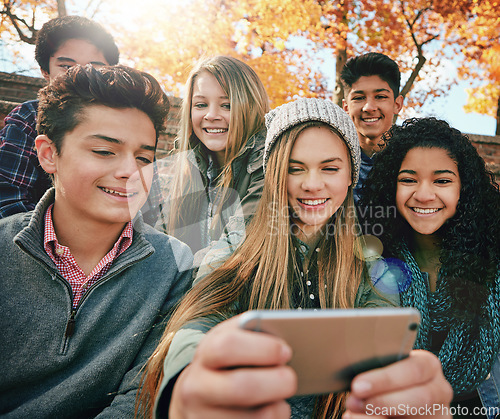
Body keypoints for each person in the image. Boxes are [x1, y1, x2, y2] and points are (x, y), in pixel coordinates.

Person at [138, 98, 453, 418]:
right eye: (294, 168)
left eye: (330, 168)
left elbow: (384, 362)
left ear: (350, 176)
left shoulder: (371, 265)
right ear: (274, 175)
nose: (312, 185)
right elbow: (200, 318)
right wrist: (188, 378)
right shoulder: (239, 242)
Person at [0, 64, 193, 418]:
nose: (129, 171)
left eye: (144, 158)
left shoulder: (174, 266)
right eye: (104, 151)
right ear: (48, 154)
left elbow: (142, 397)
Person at [361, 117, 500, 417]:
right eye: (409, 179)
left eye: (442, 180)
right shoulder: (370, 267)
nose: (424, 194)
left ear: (464, 188)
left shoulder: (494, 267)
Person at [0, 15, 119, 218]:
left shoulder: (126, 124)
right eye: (66, 66)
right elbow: (8, 201)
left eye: (95, 67)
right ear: (45, 71)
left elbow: (148, 213)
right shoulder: (29, 118)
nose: (80, 75)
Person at [156, 55, 269, 264]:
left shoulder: (267, 163)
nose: (211, 115)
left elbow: (235, 250)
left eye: (226, 105)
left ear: (251, 107)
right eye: (200, 104)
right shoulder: (189, 168)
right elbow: (159, 247)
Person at [341, 52, 404, 204]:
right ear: (346, 107)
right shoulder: (332, 159)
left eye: (380, 97)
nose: (369, 107)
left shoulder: (413, 158)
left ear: (397, 104)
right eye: (359, 98)